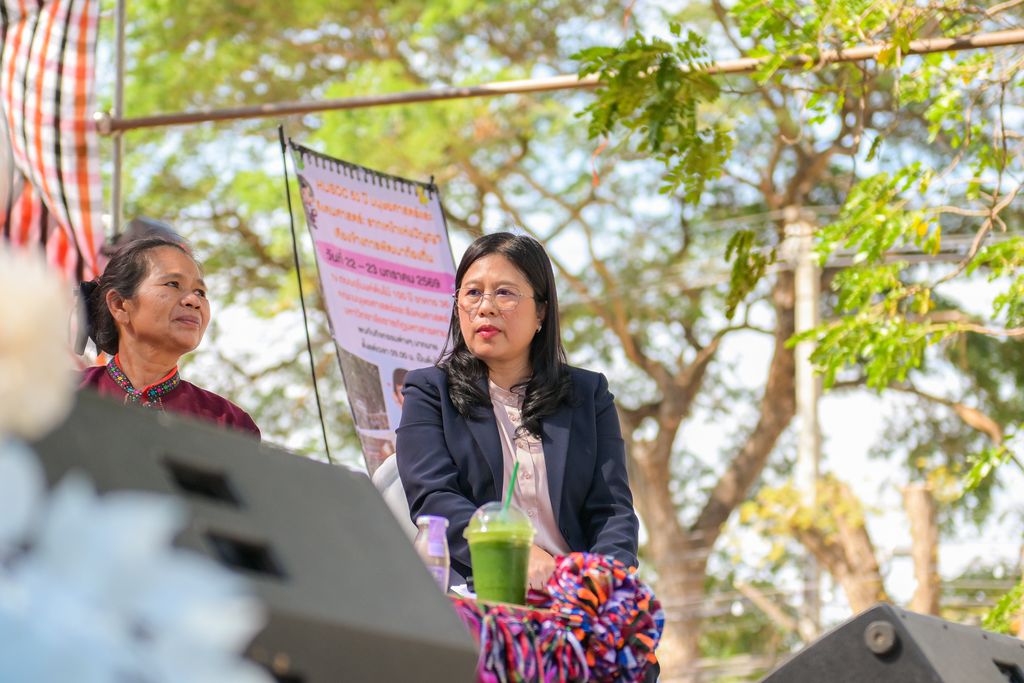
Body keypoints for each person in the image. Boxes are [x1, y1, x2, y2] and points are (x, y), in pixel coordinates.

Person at [396, 232, 638, 588]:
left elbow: (613, 511)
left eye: (505, 293)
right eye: (472, 293)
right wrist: (512, 551)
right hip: (477, 592)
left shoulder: (588, 395)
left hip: (573, 597)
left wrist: (600, 582)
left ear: (541, 311)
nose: (485, 307)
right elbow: (434, 499)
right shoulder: (430, 391)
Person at [79, 235, 260, 437]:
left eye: (200, 292)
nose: (194, 301)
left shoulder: (230, 424)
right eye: (173, 284)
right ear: (119, 305)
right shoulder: (64, 397)